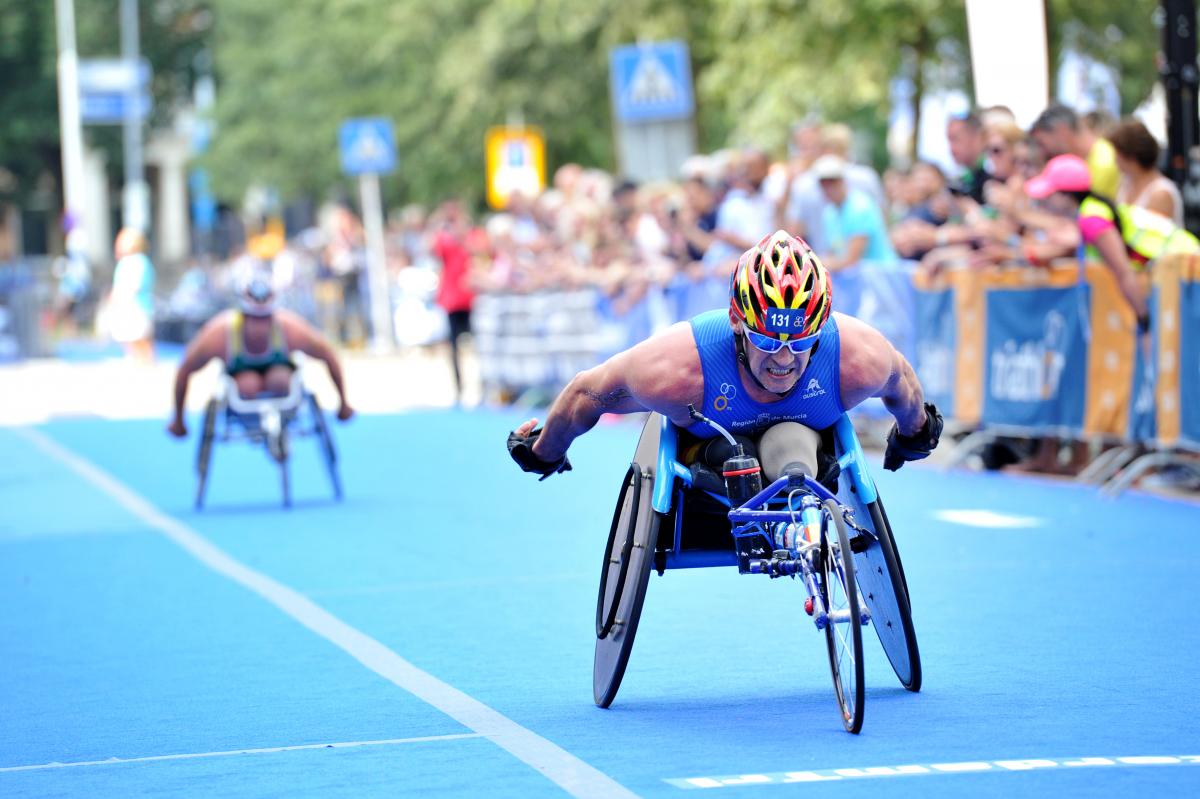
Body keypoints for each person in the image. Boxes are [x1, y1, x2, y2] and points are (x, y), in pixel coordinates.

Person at [507, 230, 942, 484]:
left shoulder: (858, 358)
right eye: (769, 341)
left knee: (788, 447)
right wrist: (544, 451)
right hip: (710, 453)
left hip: (804, 452)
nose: (785, 358)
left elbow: (902, 383)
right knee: (739, 456)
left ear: (822, 327)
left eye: (801, 341)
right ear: (737, 320)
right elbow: (590, 392)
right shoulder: (677, 370)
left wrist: (914, 435)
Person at [166, 273, 354, 438]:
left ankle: (280, 431)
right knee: (248, 383)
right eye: (253, 319)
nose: (259, 327)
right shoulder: (219, 333)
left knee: (279, 379)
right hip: (243, 394)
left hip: (280, 387)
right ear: (242, 315)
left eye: (264, 319)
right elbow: (185, 369)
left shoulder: (290, 328)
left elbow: (328, 355)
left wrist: (343, 402)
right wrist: (179, 419)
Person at [1024, 153, 1199, 325]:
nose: (1043, 203)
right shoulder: (1091, 211)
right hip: (1181, 272)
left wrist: (1145, 323)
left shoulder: (1092, 220)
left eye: (1048, 195)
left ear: (1065, 195)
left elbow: (1124, 273)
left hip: (1189, 270)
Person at [811, 155, 897, 271]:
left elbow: (851, 260)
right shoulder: (830, 212)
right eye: (823, 182)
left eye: (832, 181)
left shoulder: (860, 207)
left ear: (842, 181)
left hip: (880, 278)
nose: (828, 187)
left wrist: (817, 264)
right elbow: (833, 251)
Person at [1108, 118, 1183, 227]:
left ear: (1131, 157)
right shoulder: (1125, 182)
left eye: (1117, 154)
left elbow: (1154, 237)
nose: (1115, 159)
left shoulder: (1161, 193)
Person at [107, 227, 156, 363]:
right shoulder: (129, 262)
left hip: (136, 307)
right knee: (131, 342)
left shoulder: (137, 261)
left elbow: (133, 286)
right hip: (129, 307)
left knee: (140, 341)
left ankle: (145, 365)